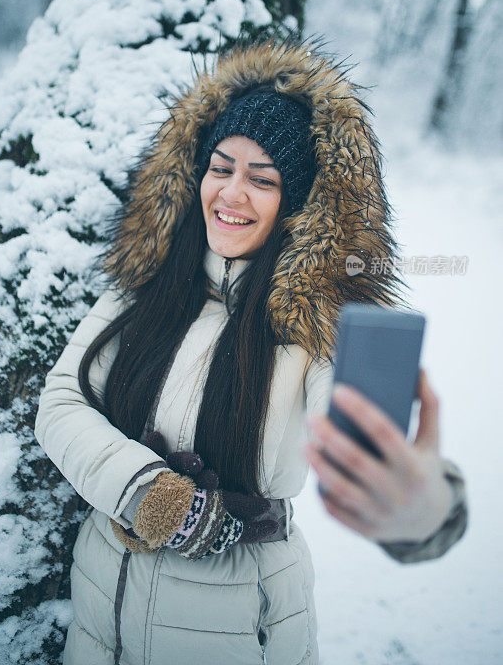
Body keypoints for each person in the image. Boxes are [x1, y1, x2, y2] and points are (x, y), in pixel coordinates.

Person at [34, 35, 468, 665]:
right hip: (100, 622)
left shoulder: (316, 326)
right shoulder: (150, 284)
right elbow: (62, 400)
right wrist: (141, 489)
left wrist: (421, 511)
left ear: (297, 204)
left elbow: (370, 455)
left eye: (262, 179)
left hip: (245, 628)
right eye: (220, 167)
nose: (231, 194)